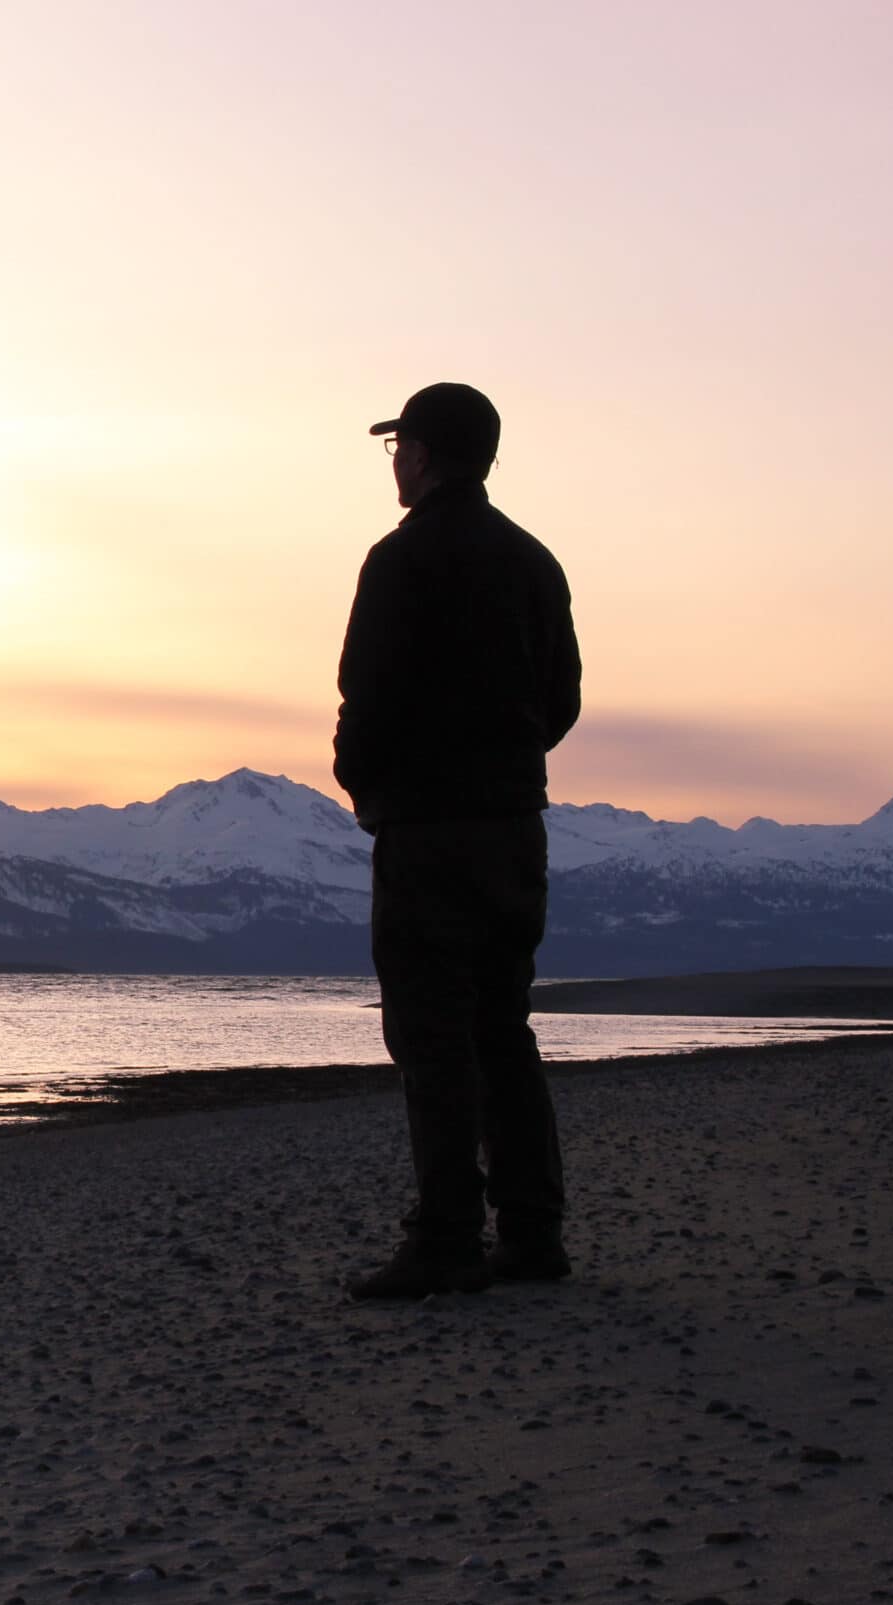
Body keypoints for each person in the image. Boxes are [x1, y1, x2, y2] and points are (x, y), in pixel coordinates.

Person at [333, 382, 582, 1301]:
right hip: (515, 831)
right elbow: (561, 702)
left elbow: (368, 696)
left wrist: (369, 787)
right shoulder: (533, 561)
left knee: (433, 1035)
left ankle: (445, 1239)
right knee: (501, 1026)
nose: (394, 460)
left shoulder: (401, 562)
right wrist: (508, 767)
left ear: (425, 454)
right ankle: (533, 1232)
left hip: (429, 832)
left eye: (399, 443)